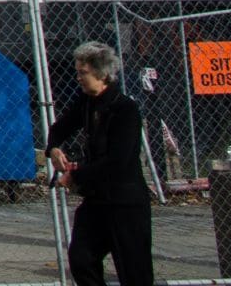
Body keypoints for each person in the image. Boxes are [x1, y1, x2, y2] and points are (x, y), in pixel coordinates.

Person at [47, 41, 153, 286]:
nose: (78, 78)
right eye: (78, 72)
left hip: (126, 203)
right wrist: (54, 148)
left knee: (135, 272)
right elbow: (59, 128)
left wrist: (76, 175)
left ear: (101, 73)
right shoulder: (85, 102)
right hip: (97, 201)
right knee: (81, 258)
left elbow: (118, 161)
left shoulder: (125, 109)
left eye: (83, 73)